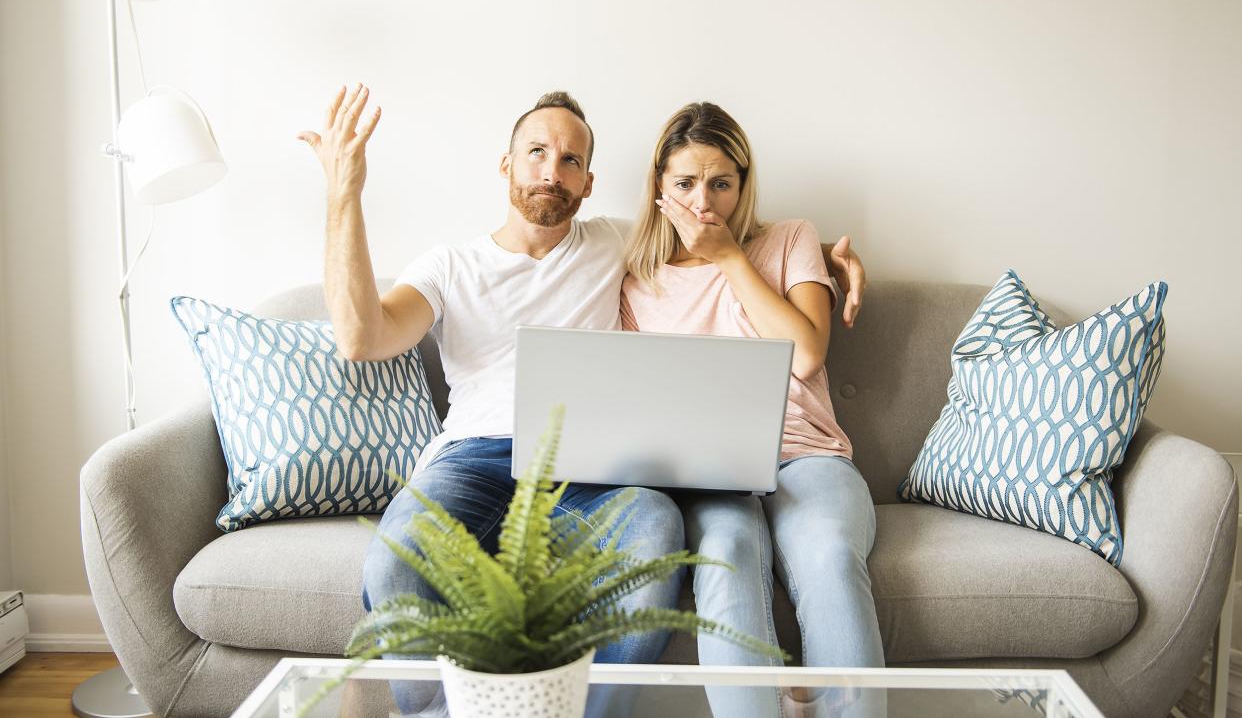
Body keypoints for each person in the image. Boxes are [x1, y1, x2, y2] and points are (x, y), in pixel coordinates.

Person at [296, 86, 868, 717]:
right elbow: (360, 337)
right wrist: (343, 192)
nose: (552, 169)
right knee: (402, 551)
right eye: (536, 151)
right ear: (505, 164)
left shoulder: (617, 246)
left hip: (592, 470)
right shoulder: (450, 265)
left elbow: (715, 244)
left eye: (570, 160)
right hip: (474, 461)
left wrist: (829, 267)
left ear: (589, 181)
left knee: (656, 531)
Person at [620, 102, 884, 718]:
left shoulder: (790, 239)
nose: (702, 203)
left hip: (806, 454)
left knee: (829, 557)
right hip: (710, 470)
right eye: (684, 184)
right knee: (725, 556)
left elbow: (807, 355)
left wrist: (730, 258)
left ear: (744, 185)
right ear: (660, 185)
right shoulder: (638, 280)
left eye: (721, 184)